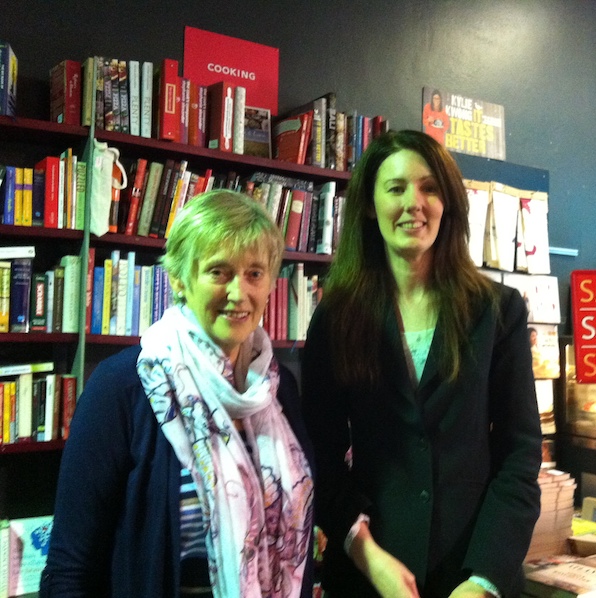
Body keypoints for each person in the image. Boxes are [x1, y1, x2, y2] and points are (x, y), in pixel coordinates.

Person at [302, 130, 542, 598]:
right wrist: (366, 554)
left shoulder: (497, 312)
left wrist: (484, 578)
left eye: (430, 188)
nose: (415, 202)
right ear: (370, 205)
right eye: (396, 188)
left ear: (447, 203)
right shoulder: (336, 317)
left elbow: (519, 455)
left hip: (473, 572)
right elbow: (322, 458)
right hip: (370, 576)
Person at [40, 191, 315, 598]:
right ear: (180, 279)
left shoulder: (278, 387)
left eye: (255, 273)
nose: (239, 293)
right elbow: (70, 567)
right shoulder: (124, 387)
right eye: (219, 272)